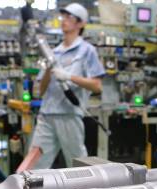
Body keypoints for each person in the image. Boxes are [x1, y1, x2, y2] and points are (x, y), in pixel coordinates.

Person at [31, 3, 105, 169]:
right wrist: (50, 70)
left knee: (78, 165)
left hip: (69, 116)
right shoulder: (53, 53)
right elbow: (40, 91)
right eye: (63, 16)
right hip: (46, 116)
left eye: (69, 17)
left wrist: (69, 77)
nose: (64, 20)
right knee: (34, 166)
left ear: (80, 23)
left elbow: (97, 86)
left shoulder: (87, 51)